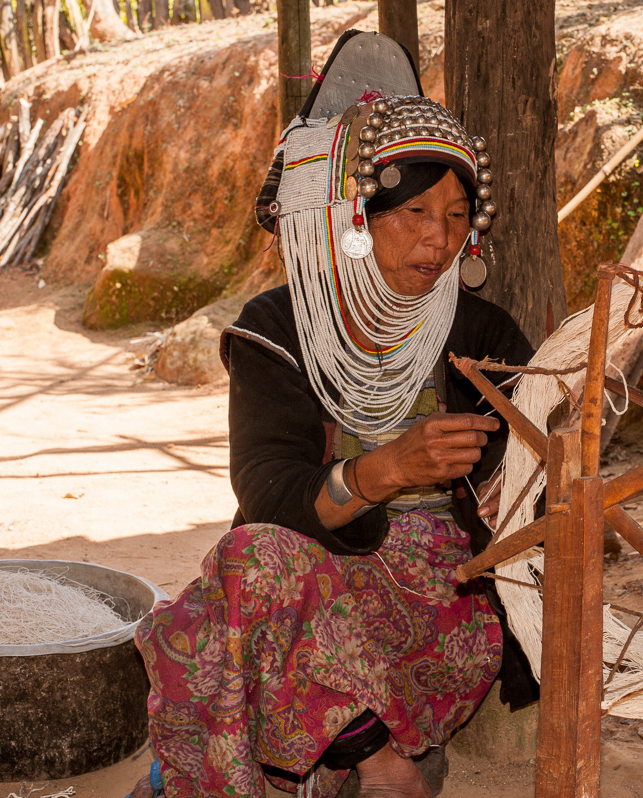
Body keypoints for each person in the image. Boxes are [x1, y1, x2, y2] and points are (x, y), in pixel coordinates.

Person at [133, 34, 537, 798]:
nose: (439, 238)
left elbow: (534, 490)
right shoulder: (275, 330)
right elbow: (269, 495)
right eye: (414, 210)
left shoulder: (484, 336)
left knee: (217, 616)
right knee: (249, 565)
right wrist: (391, 468)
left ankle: (311, 758)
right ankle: (377, 759)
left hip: (440, 606)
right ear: (352, 217)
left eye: (457, 216)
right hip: (305, 584)